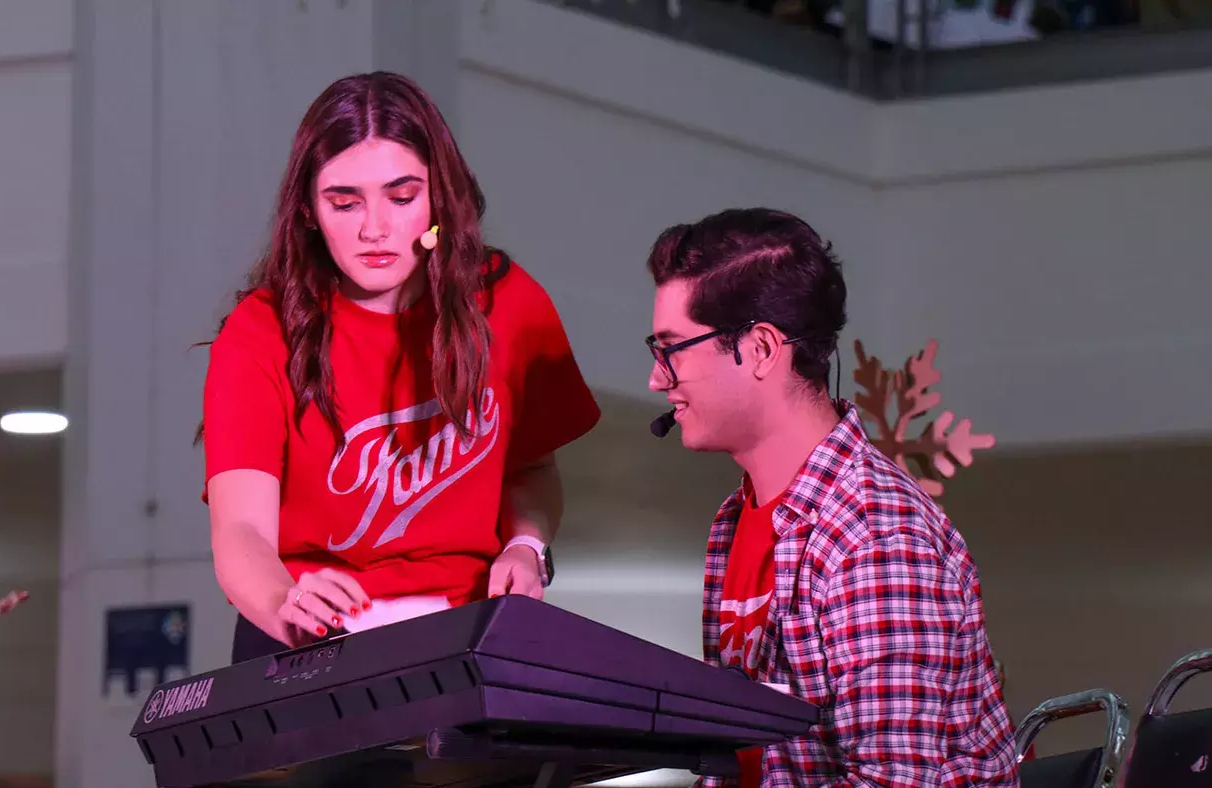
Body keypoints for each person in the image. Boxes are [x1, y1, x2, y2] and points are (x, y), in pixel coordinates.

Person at [200, 72, 600, 665]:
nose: (375, 228)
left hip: (466, 638)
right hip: (307, 641)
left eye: (402, 195)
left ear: (440, 196)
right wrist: (283, 600)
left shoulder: (509, 303)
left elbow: (533, 469)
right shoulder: (261, 331)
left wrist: (526, 544)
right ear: (308, 210)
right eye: (344, 202)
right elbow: (241, 532)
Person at [643, 208, 1018, 786]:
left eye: (672, 348)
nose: (657, 378)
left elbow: (893, 784)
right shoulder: (738, 520)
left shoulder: (874, 537)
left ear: (762, 349)